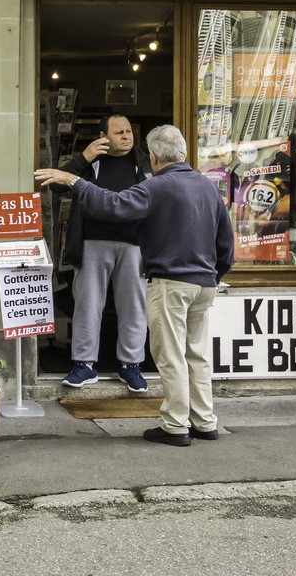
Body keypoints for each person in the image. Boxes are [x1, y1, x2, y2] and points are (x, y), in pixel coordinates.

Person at [59, 124, 234, 447]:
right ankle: (205, 421)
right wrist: (217, 275)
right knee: (196, 354)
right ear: (182, 152)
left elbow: (112, 205)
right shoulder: (207, 187)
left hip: (172, 282)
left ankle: (175, 426)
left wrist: (75, 181)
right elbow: (226, 241)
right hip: (205, 284)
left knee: (171, 356)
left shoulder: (157, 187)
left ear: (153, 156)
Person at [34, 114, 152, 391]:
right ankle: (84, 365)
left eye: (129, 131)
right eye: (119, 132)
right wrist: (84, 157)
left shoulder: (144, 161)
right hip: (91, 242)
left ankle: (131, 365)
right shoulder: (91, 162)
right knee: (88, 304)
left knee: (134, 306)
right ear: (103, 136)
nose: (126, 137)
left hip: (134, 244)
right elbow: (56, 183)